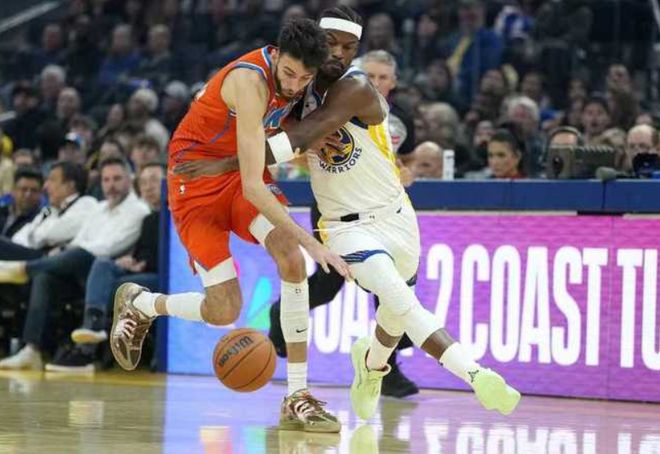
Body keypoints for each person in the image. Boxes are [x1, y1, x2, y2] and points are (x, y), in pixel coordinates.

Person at [176, 6, 521, 421]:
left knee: (392, 317)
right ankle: (477, 375)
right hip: (344, 226)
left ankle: (373, 366)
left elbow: (300, 137)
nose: (339, 53)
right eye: (331, 44)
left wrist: (224, 163)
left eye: (349, 47)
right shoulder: (295, 85)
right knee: (400, 299)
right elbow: (274, 134)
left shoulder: (354, 86)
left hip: (395, 214)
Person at [109, 19, 349, 433]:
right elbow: (256, 186)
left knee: (291, 259)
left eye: (304, 78)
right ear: (276, 54)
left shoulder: (302, 80)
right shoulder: (249, 82)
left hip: (235, 176)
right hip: (194, 186)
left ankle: (298, 395)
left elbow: (260, 159)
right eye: (289, 73)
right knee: (224, 311)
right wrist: (314, 243)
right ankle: (143, 304)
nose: (295, 85)